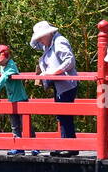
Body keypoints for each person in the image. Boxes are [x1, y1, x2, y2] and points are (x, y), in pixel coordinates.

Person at [30, 21, 79, 157]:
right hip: (60, 85)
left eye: (41, 37)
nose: (39, 40)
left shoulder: (59, 42)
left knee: (65, 116)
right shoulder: (49, 43)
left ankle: (69, 147)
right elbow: (33, 46)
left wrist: (53, 73)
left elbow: (70, 61)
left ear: (48, 33)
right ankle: (67, 146)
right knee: (62, 116)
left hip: (67, 84)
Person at [0, 44, 30, 156]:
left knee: (26, 124)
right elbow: (2, 77)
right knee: (14, 125)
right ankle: (18, 147)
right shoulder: (2, 66)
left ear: (7, 57)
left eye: (0, 60)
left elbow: (4, 77)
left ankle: (33, 146)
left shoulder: (11, 66)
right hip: (12, 100)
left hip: (21, 99)